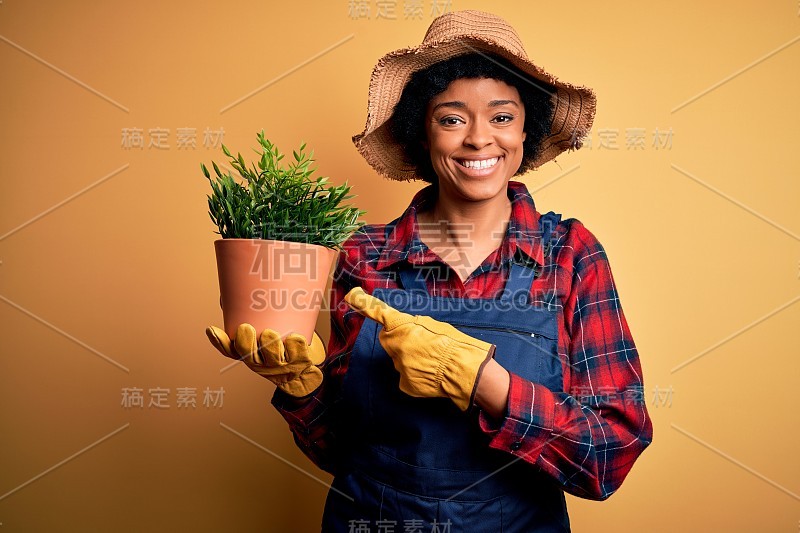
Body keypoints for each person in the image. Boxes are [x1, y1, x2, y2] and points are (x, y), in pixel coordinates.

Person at [206, 9, 653, 532]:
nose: (479, 139)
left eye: (502, 117)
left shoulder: (570, 255)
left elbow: (609, 458)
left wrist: (488, 383)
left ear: (526, 131)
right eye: (452, 118)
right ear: (423, 132)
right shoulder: (364, 256)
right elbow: (339, 451)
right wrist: (303, 390)